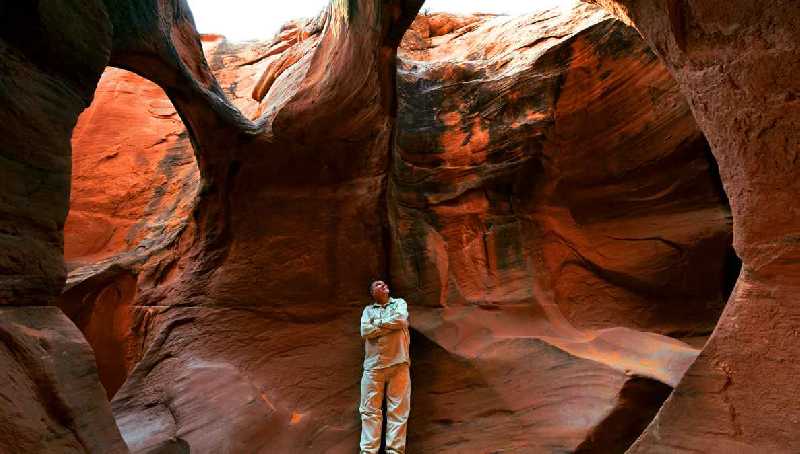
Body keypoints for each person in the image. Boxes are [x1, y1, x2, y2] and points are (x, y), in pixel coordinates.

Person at [359, 280, 411, 454]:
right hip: (373, 367)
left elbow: (401, 320)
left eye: (383, 284)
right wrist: (388, 325)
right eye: (377, 285)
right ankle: (368, 452)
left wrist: (378, 323)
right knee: (369, 412)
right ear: (373, 293)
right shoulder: (368, 310)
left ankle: (395, 452)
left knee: (398, 412)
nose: (383, 286)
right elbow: (365, 331)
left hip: (398, 363)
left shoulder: (400, 303)